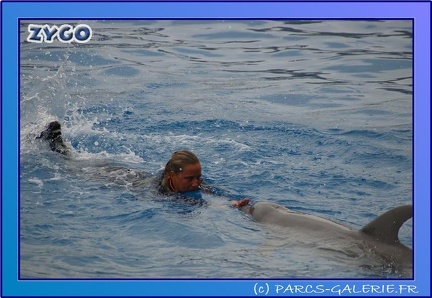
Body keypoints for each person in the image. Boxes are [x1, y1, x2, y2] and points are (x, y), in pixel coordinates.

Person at [37, 121, 250, 208]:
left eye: (198, 177)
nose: (196, 183)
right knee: (70, 164)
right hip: (116, 178)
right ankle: (54, 143)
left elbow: (216, 193)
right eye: (190, 178)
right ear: (171, 177)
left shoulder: (193, 183)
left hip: (131, 172)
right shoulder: (158, 192)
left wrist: (232, 203)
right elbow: (186, 203)